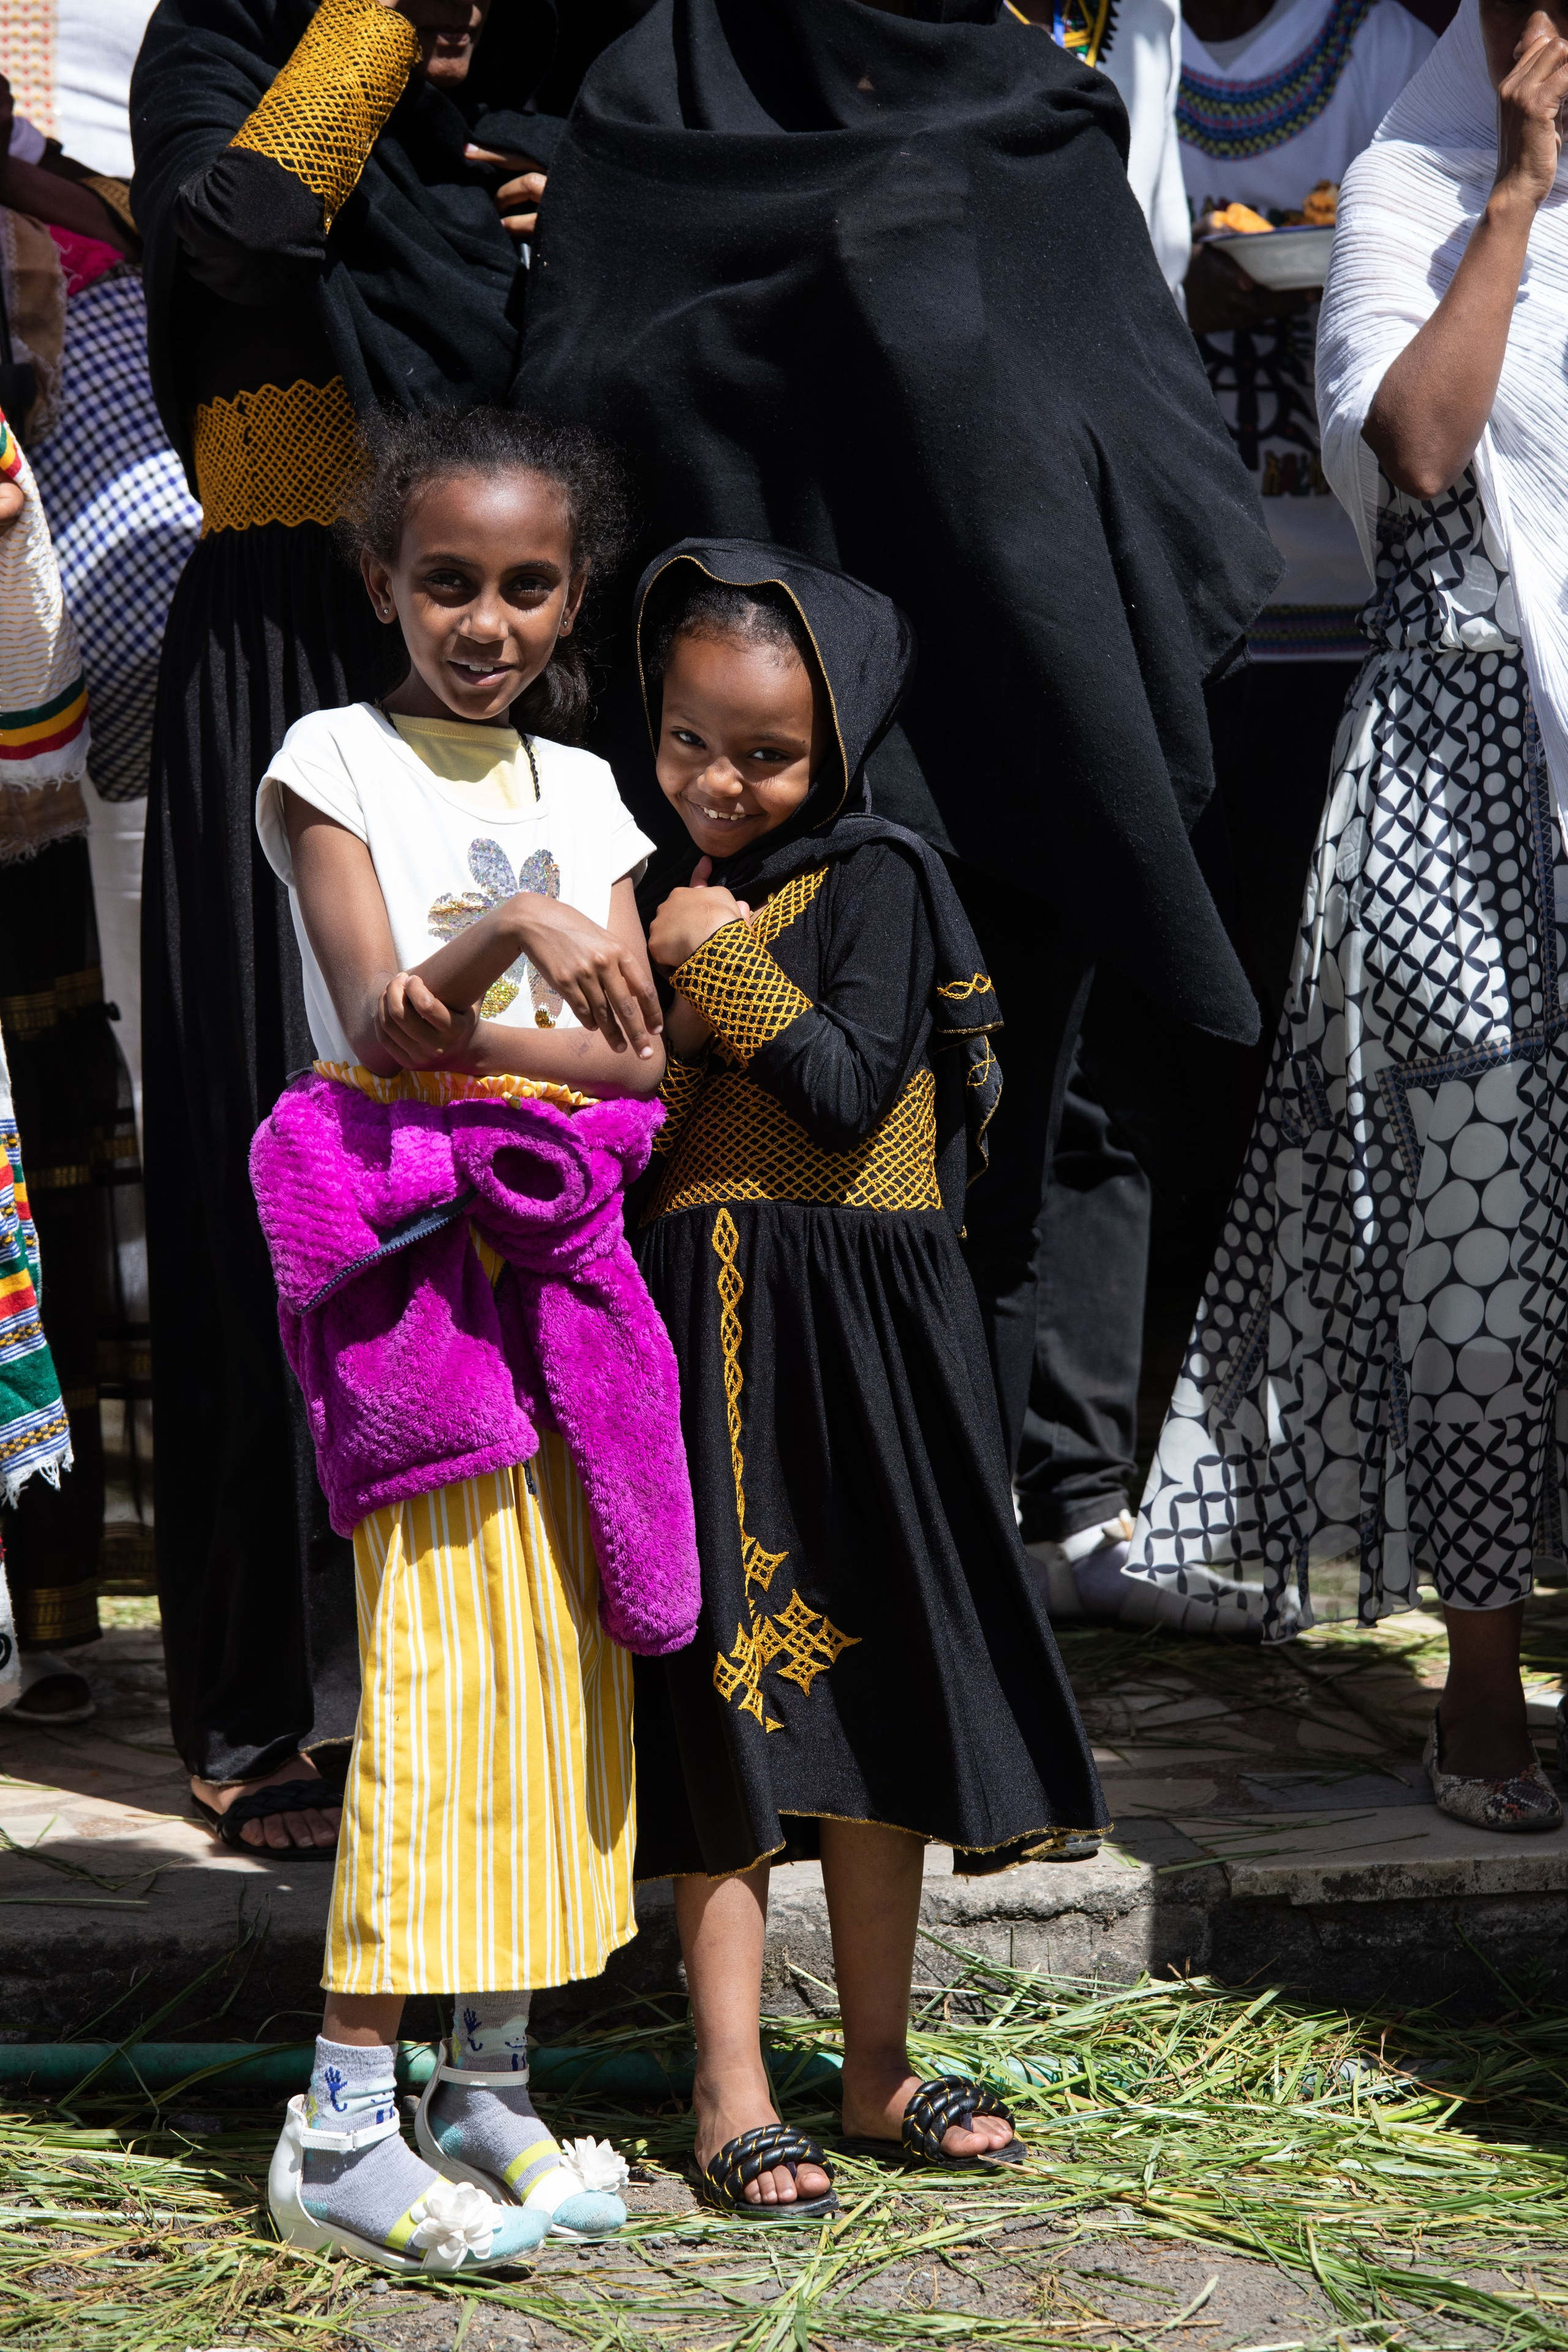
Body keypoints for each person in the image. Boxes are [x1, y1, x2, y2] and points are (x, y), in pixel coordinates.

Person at [511, 0, 1284, 1506]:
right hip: (712, 802)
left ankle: (949, 1635)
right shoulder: (647, 104)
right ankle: (741, 1657)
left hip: (1000, 774)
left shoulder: (1032, 124)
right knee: (703, 1195)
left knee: (965, 1217)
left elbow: (1124, 439)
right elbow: (578, 412)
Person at [249, 404, 699, 2270]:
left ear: (571, 593)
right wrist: (516, 933)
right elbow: (374, 1023)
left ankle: (485, 2086)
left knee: (553, 1670)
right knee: (436, 1673)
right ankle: (342, 2117)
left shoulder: (590, 785)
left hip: (560, 1264)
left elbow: (648, 1063)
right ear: (381, 583)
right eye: (447, 580)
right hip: (410, 1278)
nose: (487, 619)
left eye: (526, 585)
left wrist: (489, 1027)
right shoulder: (328, 758)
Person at [1128, 0, 1568, 1832]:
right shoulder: (1411, 179)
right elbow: (1420, 446)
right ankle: (1479, 1672)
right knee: (1480, 1240)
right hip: (1455, 764)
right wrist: (1520, 197)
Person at [630, 541, 1108, 2218]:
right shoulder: (652, 890)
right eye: (693, 738)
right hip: (716, 1331)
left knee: (879, 1685)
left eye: (767, 752)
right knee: (733, 1699)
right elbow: (623, 1128)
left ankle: (881, 2066)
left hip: (873, 1331)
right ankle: (732, 2085)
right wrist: (657, 990)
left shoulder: (881, 874)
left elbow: (846, 1088)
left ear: (837, 748)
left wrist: (712, 963)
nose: (723, 779)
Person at [129, 0, 561, 1853]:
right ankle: (263, 1707)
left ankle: (467, 1671)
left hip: (479, 680)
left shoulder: (530, 82)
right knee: (275, 1175)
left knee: (482, 1178)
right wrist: (372, 23)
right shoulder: (222, 51)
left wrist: (583, 211)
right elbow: (236, 228)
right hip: (278, 663)